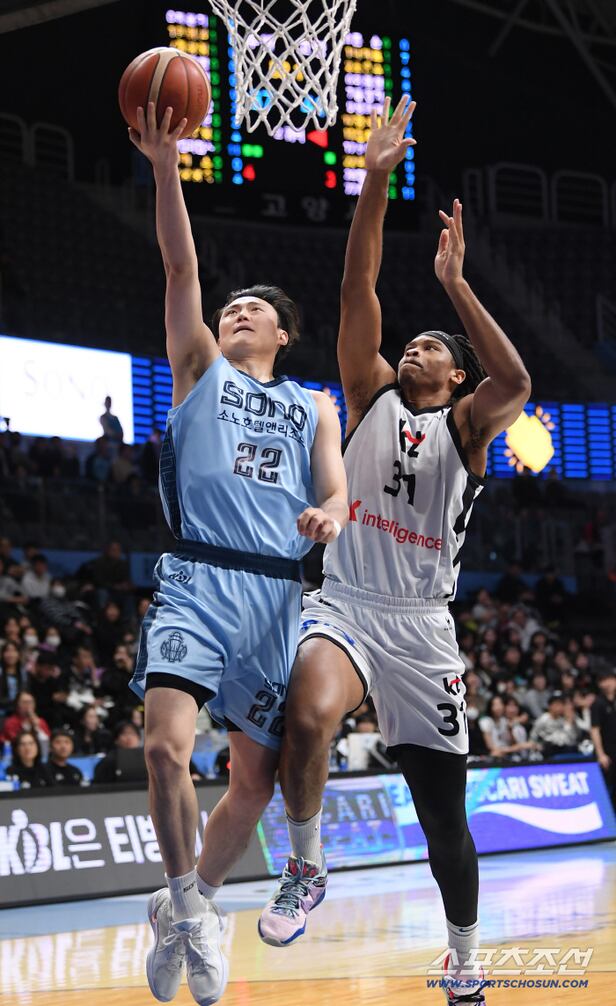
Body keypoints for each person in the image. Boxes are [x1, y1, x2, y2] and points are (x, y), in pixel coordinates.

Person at [258, 96, 531, 1006]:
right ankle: (305, 866)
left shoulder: (469, 427)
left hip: (422, 630)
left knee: (443, 821)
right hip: (345, 603)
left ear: (455, 377)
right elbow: (357, 289)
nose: (411, 350)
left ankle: (463, 954)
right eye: (408, 344)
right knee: (308, 715)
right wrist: (373, 180)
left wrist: (456, 284)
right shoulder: (370, 393)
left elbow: (517, 378)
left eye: (429, 349)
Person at [127, 101, 348, 1006]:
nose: (236, 312)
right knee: (164, 749)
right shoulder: (199, 371)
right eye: (230, 309)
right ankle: (189, 911)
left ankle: (191, 898)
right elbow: (180, 265)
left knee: (255, 782)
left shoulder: (313, 405)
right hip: (197, 577)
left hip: (275, 598)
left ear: (283, 335)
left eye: (254, 309)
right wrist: (166, 165)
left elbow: (335, 488)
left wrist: (331, 516)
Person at [590, 669, 616, 808]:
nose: (606, 684)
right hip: (607, 753)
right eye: (602, 681)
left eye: (609, 679)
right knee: (605, 787)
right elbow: (595, 729)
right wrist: (600, 754)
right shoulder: (598, 703)